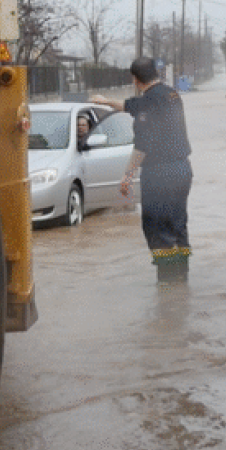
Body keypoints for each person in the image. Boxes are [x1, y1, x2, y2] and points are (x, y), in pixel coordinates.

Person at [92, 57, 192, 283]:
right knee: (178, 224)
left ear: (135, 80)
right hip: (183, 169)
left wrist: (127, 177)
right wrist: (107, 101)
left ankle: (167, 283)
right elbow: (129, 106)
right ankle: (182, 278)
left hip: (160, 174)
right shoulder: (172, 95)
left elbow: (142, 147)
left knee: (156, 228)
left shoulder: (148, 103)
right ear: (156, 73)